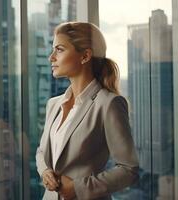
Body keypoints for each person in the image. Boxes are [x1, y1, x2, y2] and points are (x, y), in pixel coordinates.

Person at [35, 22, 139, 200]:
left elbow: (128, 169)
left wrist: (78, 188)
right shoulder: (53, 104)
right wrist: (45, 171)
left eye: (59, 50)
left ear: (85, 56)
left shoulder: (109, 104)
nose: (51, 57)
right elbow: (42, 152)